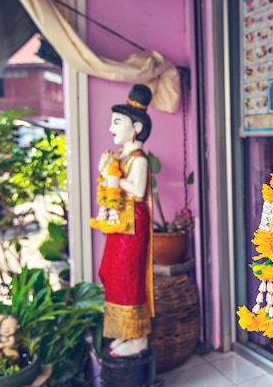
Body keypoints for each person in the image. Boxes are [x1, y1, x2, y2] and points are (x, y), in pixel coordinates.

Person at [92, 84, 155, 357]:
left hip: (133, 222)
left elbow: (138, 191)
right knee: (110, 272)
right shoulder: (123, 157)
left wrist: (115, 178)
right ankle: (124, 331)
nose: (111, 128)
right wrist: (107, 174)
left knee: (129, 276)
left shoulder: (139, 159)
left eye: (117, 122)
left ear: (137, 127)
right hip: (120, 221)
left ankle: (138, 336)